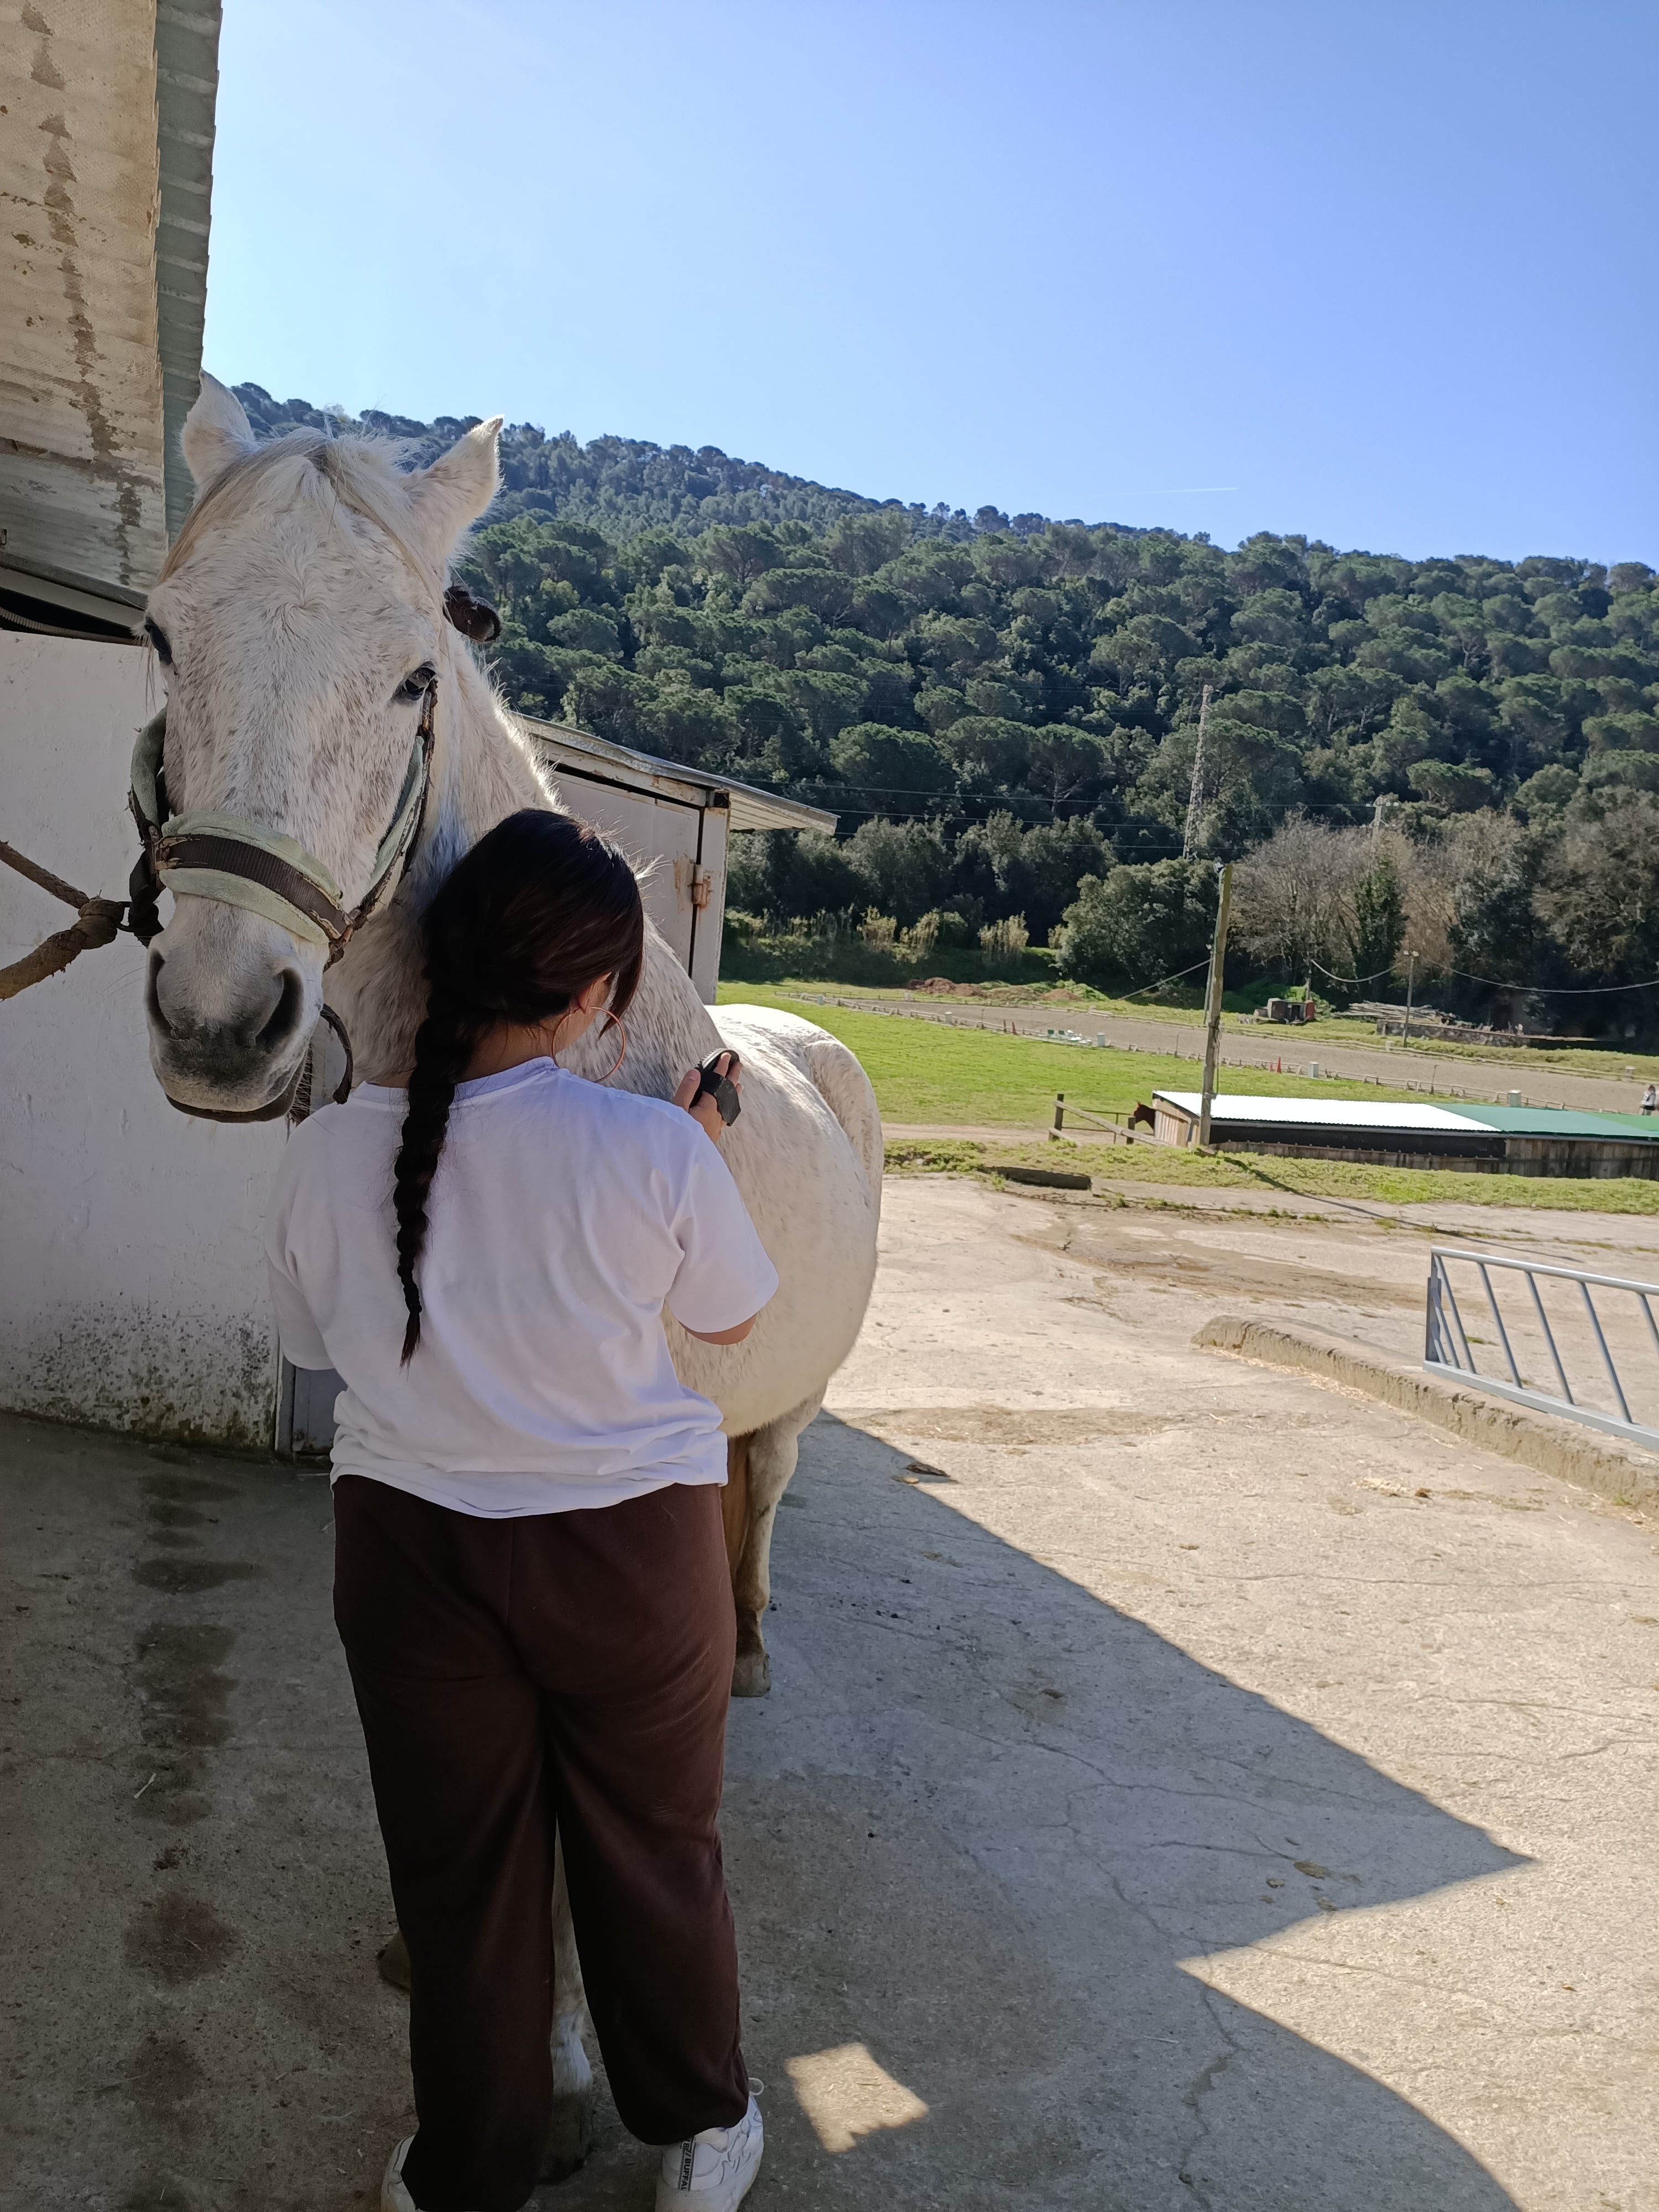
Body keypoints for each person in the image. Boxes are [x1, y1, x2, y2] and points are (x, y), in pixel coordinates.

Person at [264, 809, 778, 2212]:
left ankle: (469, 2168)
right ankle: (700, 2128)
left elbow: (315, 1350)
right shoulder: (654, 1151)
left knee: (459, 1872)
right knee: (656, 1850)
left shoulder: (323, 1153)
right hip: (631, 1561)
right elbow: (729, 1317)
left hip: (407, 1559)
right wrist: (690, 1154)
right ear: (604, 997)